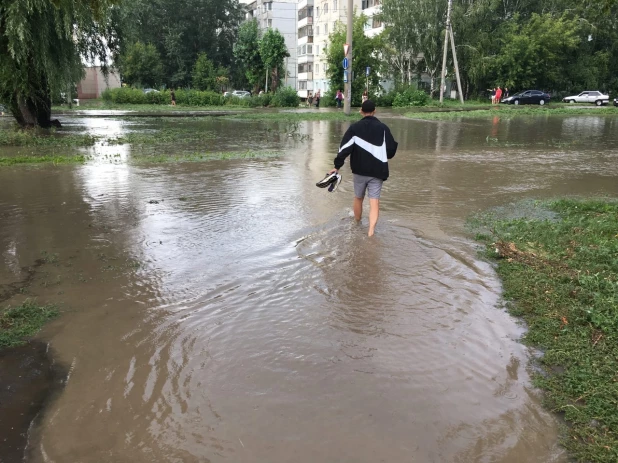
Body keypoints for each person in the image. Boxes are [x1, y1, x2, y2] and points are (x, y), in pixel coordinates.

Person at [328, 100, 398, 237]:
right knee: (374, 201)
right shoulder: (383, 128)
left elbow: (344, 148)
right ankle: (371, 231)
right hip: (378, 171)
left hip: (359, 170)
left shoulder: (354, 128)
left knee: (358, 198)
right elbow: (391, 150)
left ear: (361, 111)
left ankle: (357, 222)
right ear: (375, 111)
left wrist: (337, 166)